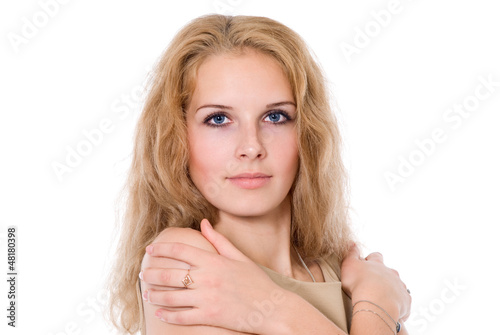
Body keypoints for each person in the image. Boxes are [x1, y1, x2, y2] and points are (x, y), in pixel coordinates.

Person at [108, 14, 411, 334]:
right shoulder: (183, 260)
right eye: (218, 120)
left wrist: (269, 304)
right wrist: (377, 304)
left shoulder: (341, 269)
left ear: (307, 134)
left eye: (275, 116)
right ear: (178, 138)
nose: (251, 147)